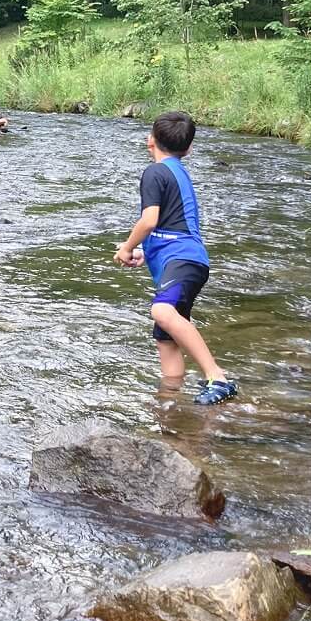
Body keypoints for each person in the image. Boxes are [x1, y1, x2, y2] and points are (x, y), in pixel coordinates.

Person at [112, 111, 238, 405]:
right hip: (185, 260)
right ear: (189, 149)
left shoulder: (154, 172)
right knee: (166, 340)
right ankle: (170, 406)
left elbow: (149, 220)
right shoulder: (178, 171)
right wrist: (146, 252)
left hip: (182, 260)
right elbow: (177, 226)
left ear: (150, 141)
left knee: (162, 312)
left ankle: (217, 377)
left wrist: (127, 247)